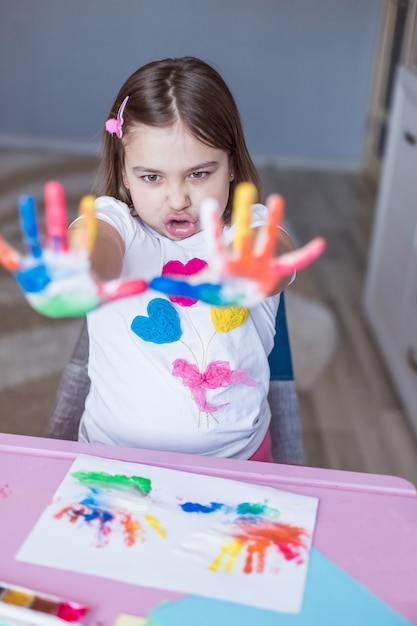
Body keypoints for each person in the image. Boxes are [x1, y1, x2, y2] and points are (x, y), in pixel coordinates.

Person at [72, 56, 296, 461]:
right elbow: (94, 244)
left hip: (239, 460)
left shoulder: (249, 226)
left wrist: (256, 263)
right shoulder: (117, 224)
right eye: (151, 177)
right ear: (124, 173)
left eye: (199, 174)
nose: (178, 199)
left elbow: (272, 252)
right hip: (111, 460)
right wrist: (78, 264)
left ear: (230, 166)